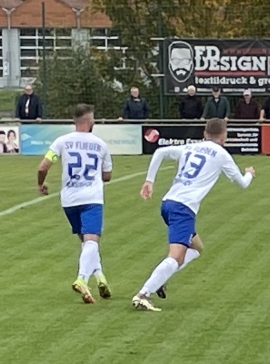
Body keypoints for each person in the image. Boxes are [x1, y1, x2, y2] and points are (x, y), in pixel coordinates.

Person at [132, 117, 254, 310]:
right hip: (183, 208)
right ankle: (143, 294)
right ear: (224, 136)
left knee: (196, 247)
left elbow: (160, 151)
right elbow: (243, 183)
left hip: (168, 203)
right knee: (176, 257)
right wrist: (249, 173)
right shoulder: (222, 155)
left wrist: (149, 180)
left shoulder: (190, 147)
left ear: (205, 134)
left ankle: (161, 279)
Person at [37, 103, 115, 303]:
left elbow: (43, 166)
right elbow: (107, 176)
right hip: (91, 198)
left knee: (87, 243)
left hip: (69, 200)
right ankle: (82, 279)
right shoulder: (100, 144)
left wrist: (41, 184)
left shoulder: (62, 142)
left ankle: (100, 278)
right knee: (91, 241)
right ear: (89, 120)